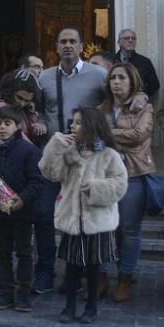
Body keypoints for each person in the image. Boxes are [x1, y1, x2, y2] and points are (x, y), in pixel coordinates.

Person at [34, 28, 108, 294]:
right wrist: (41, 124)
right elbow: (38, 111)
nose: (67, 45)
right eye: (62, 41)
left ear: (81, 46)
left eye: (72, 41)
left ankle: (76, 273)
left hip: (85, 159)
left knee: (80, 216)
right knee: (44, 214)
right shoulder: (44, 78)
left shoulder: (99, 75)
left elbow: (117, 100)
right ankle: (44, 269)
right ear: (56, 46)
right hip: (54, 156)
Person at [41, 108, 127, 324]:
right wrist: (55, 146)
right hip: (72, 219)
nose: (73, 126)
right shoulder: (68, 153)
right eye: (73, 122)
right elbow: (51, 173)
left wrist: (96, 188)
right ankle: (69, 306)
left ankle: (91, 307)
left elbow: (120, 184)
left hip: (96, 221)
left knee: (94, 266)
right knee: (71, 266)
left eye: (78, 122)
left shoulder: (109, 155)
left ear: (91, 126)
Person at [100, 63, 155, 302]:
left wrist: (107, 133)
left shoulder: (144, 106)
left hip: (133, 173)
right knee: (103, 227)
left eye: (121, 77)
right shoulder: (101, 108)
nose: (116, 82)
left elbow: (138, 136)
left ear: (132, 82)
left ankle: (125, 278)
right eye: (113, 77)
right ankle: (100, 277)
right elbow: (92, 137)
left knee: (129, 230)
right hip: (105, 175)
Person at [0, 106, 43, 312]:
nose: (1, 128)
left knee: (24, 252)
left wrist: (23, 198)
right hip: (1, 211)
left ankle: (24, 292)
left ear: (18, 126)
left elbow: (37, 181)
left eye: (7, 124)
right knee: (2, 251)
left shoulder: (29, 150)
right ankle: (6, 291)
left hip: (23, 211)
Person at [0, 72, 46, 146]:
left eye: (26, 101)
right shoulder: (0, 107)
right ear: (10, 91)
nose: (22, 103)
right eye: (19, 98)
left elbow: (28, 132)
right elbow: (19, 137)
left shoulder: (20, 108)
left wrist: (32, 114)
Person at [114, 29, 160, 98]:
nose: (130, 40)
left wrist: (142, 95)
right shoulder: (111, 60)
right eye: (126, 38)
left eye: (133, 38)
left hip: (137, 103)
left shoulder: (145, 62)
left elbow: (155, 85)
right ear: (119, 43)